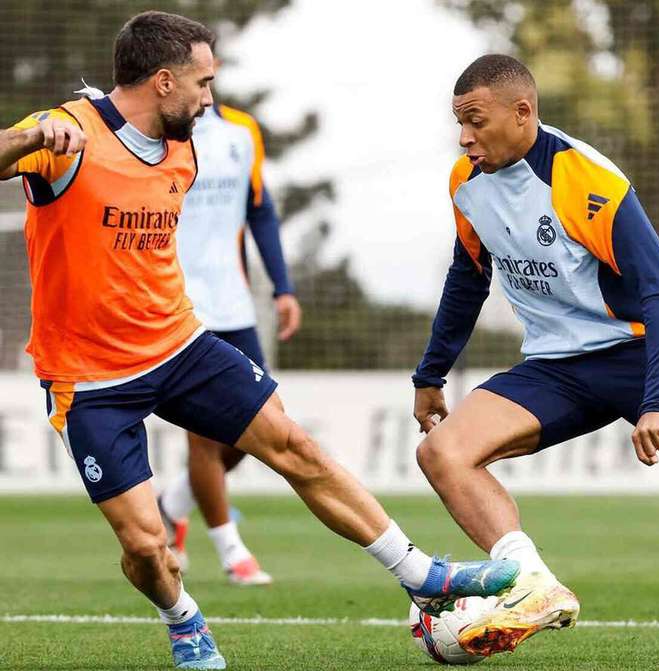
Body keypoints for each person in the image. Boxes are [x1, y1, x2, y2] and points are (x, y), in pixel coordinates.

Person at [0, 14, 520, 669]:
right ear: (164, 81)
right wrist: (23, 141)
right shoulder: (66, 131)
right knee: (146, 547)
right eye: (203, 82)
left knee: (294, 444)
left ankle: (420, 575)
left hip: (180, 344)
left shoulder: (185, 145)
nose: (210, 98)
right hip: (90, 377)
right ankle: (182, 616)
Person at [412, 54, 659, 658]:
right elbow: (468, 275)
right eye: (459, 122)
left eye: (476, 120)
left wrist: (656, 401)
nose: (464, 136)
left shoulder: (586, 179)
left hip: (637, 351)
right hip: (554, 367)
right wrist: (431, 373)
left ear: (522, 113)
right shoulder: (465, 183)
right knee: (442, 453)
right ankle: (531, 585)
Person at [157, 87, 302, 586]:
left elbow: (259, 208)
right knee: (204, 435)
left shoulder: (243, 131)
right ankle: (231, 552)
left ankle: (172, 502)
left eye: (206, 76)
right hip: (180, 305)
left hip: (235, 303)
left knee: (262, 426)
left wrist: (283, 288)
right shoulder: (163, 133)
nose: (202, 86)